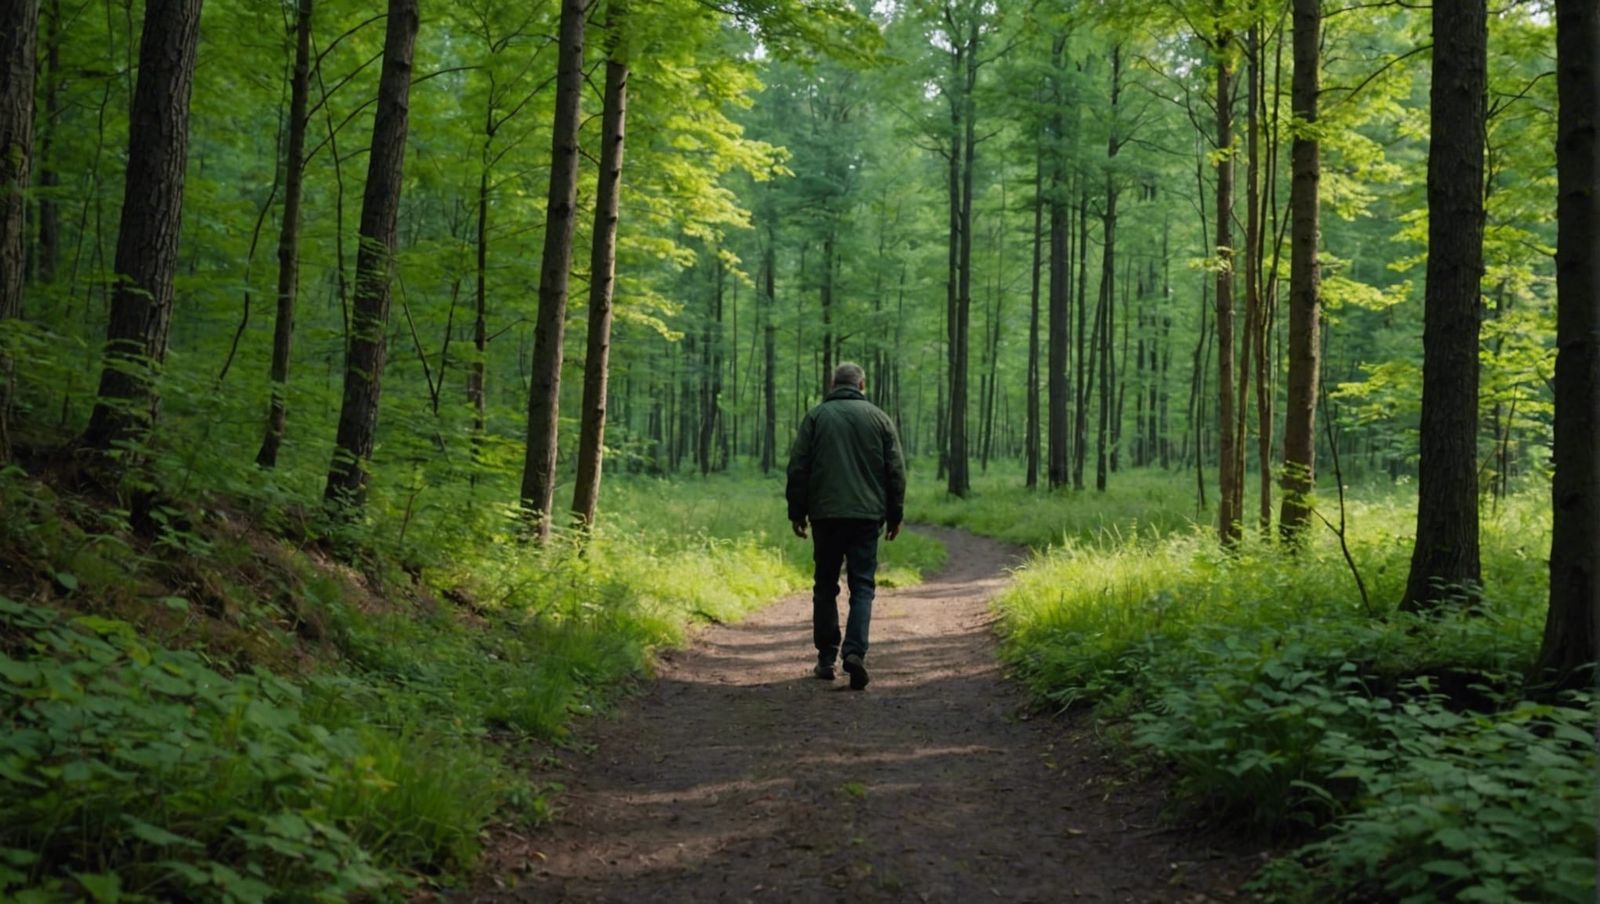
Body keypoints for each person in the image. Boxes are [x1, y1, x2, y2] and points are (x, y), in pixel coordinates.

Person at [785, 362, 907, 690]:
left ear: (833, 383)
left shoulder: (816, 417)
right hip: (866, 517)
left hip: (825, 515)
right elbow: (895, 471)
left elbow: (798, 467)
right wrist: (895, 515)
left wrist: (797, 512)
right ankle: (854, 652)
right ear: (861, 385)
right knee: (862, 586)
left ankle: (826, 658)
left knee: (825, 584)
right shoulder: (879, 418)